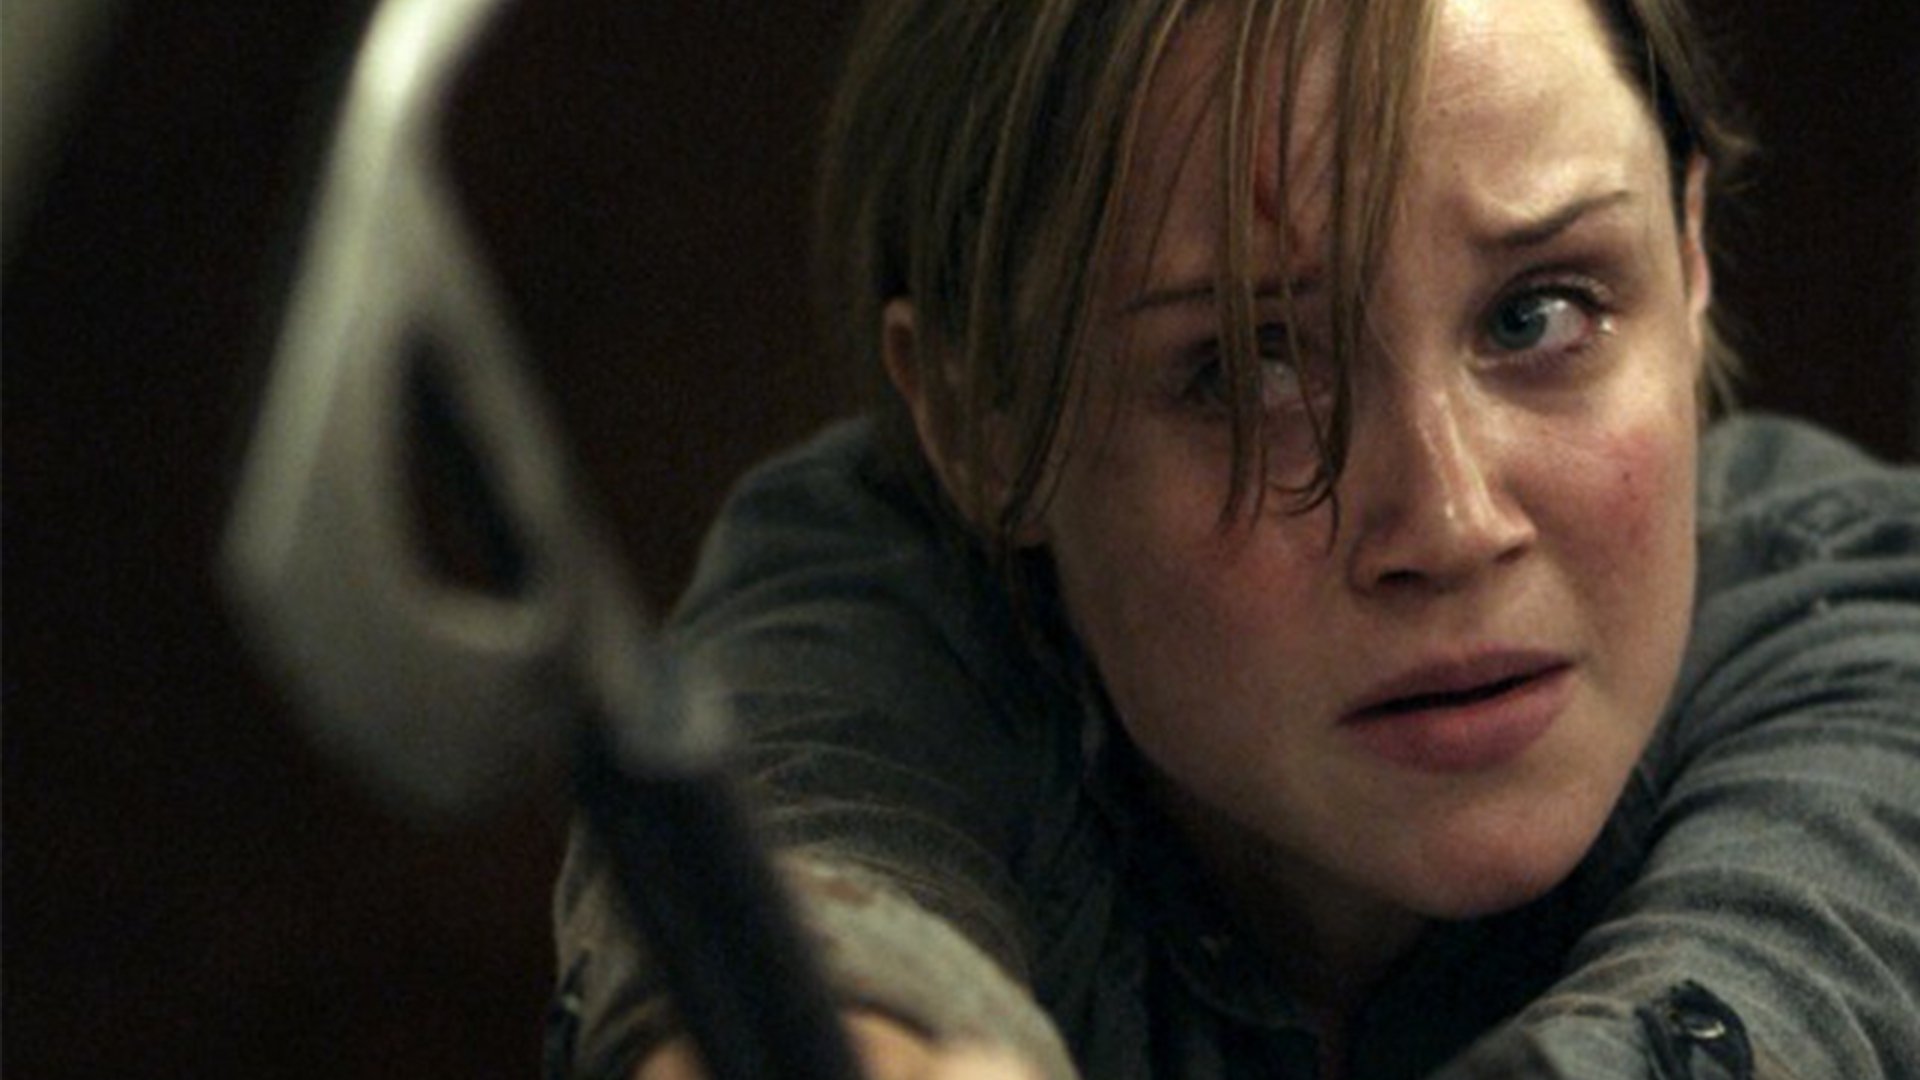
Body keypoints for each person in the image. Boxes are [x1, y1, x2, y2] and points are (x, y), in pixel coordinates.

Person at [549, 0, 1920, 1076]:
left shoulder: (1859, 617)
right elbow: (809, 870)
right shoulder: (876, 595)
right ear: (975, 417)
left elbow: (1795, 975)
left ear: (1688, 256)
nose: (1450, 525)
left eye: (1539, 312)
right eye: (1251, 368)